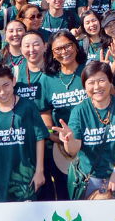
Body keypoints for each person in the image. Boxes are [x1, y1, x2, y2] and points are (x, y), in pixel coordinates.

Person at [60, 61, 115, 199]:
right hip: (91, 179)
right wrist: (69, 140)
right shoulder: (79, 111)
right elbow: (73, 149)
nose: (97, 87)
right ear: (84, 86)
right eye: (91, 83)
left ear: (110, 81)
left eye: (101, 80)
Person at [0, 63, 47, 203]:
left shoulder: (28, 107)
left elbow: (40, 138)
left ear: (14, 82)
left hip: (26, 177)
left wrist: (39, 171)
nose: (3, 92)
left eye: (6, 85)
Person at [37, 31, 89, 200]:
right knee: (65, 191)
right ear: (52, 53)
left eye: (68, 46)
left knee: (91, 191)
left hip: (90, 141)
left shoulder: (88, 70)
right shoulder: (47, 78)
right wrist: (52, 134)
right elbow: (44, 109)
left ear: (76, 46)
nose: (64, 51)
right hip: (61, 146)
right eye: (58, 48)